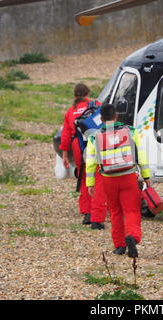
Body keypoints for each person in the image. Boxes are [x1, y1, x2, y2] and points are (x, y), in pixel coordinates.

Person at [85, 104, 151, 258]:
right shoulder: (131, 131)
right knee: (132, 210)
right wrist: (146, 176)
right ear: (116, 116)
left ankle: (120, 245)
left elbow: (90, 162)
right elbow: (141, 155)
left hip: (108, 180)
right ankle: (132, 237)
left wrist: (90, 184)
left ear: (101, 119)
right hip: (128, 177)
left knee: (115, 212)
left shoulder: (94, 136)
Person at [59, 84, 107, 230]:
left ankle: (86, 212)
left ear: (74, 95)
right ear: (87, 93)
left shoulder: (70, 111)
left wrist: (65, 155)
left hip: (78, 146)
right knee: (97, 180)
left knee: (84, 178)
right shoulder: (96, 105)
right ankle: (96, 214)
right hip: (96, 144)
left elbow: (66, 134)